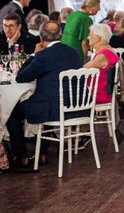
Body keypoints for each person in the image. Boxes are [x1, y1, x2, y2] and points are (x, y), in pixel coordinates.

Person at [6, 22, 79, 170]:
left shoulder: (43, 56)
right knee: (45, 101)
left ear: (41, 38)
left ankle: (22, 157)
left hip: (53, 108)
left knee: (12, 113)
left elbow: (21, 77)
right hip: (74, 106)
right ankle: (42, 154)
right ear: (61, 35)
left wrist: (34, 54)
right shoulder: (74, 52)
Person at [83, 24, 119, 105]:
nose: (88, 37)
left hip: (98, 94)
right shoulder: (108, 50)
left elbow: (83, 70)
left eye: (90, 34)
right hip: (101, 91)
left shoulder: (103, 55)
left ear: (98, 38)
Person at [61, 0, 101, 64]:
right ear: (90, 7)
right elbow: (84, 43)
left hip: (63, 48)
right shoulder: (86, 19)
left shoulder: (73, 14)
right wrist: (85, 59)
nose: (99, 9)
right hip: (75, 51)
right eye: (98, 6)